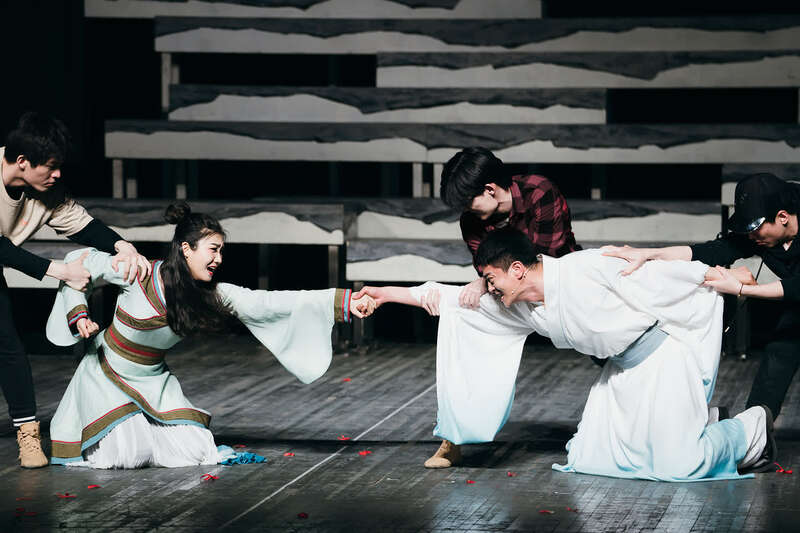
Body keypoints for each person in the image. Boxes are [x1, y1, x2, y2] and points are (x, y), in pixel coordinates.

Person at [355, 229, 775, 481]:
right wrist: (385, 294)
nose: (488, 288)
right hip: (621, 376)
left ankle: (751, 430)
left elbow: (660, 276)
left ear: (517, 269)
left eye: (490, 278)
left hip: (664, 362)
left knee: (680, 464)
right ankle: (703, 420)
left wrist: (720, 275)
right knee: (588, 458)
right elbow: (446, 298)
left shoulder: (585, 267)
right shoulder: (519, 305)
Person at [45, 203, 375, 468]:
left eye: (221, 252)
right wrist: (79, 315)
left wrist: (345, 302)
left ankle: (147, 425)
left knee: (194, 450)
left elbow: (269, 302)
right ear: (186, 249)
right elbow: (78, 261)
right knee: (126, 454)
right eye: (213, 250)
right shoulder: (139, 272)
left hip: (154, 382)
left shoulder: (212, 295)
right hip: (107, 373)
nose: (218, 259)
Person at [1, 112, 149, 468]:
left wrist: (123, 246)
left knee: (8, 347)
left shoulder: (46, 193)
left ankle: (28, 435)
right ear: (22, 161)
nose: (57, 174)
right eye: (51, 167)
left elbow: (83, 224)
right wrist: (62, 271)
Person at [603, 173, 800, 440]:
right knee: (780, 351)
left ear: (783, 217)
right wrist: (649, 254)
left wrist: (741, 289)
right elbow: (709, 251)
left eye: (755, 228)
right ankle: (753, 434)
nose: (751, 236)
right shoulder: (761, 234)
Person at [430, 146, 580, 467]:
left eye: (468, 202)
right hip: (511, 297)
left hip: (561, 290)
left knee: (610, 347)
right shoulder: (472, 220)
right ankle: (454, 435)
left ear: (489, 189)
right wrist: (482, 280)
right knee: (460, 316)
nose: (466, 211)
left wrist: (486, 278)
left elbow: (541, 262)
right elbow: (490, 269)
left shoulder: (539, 192)